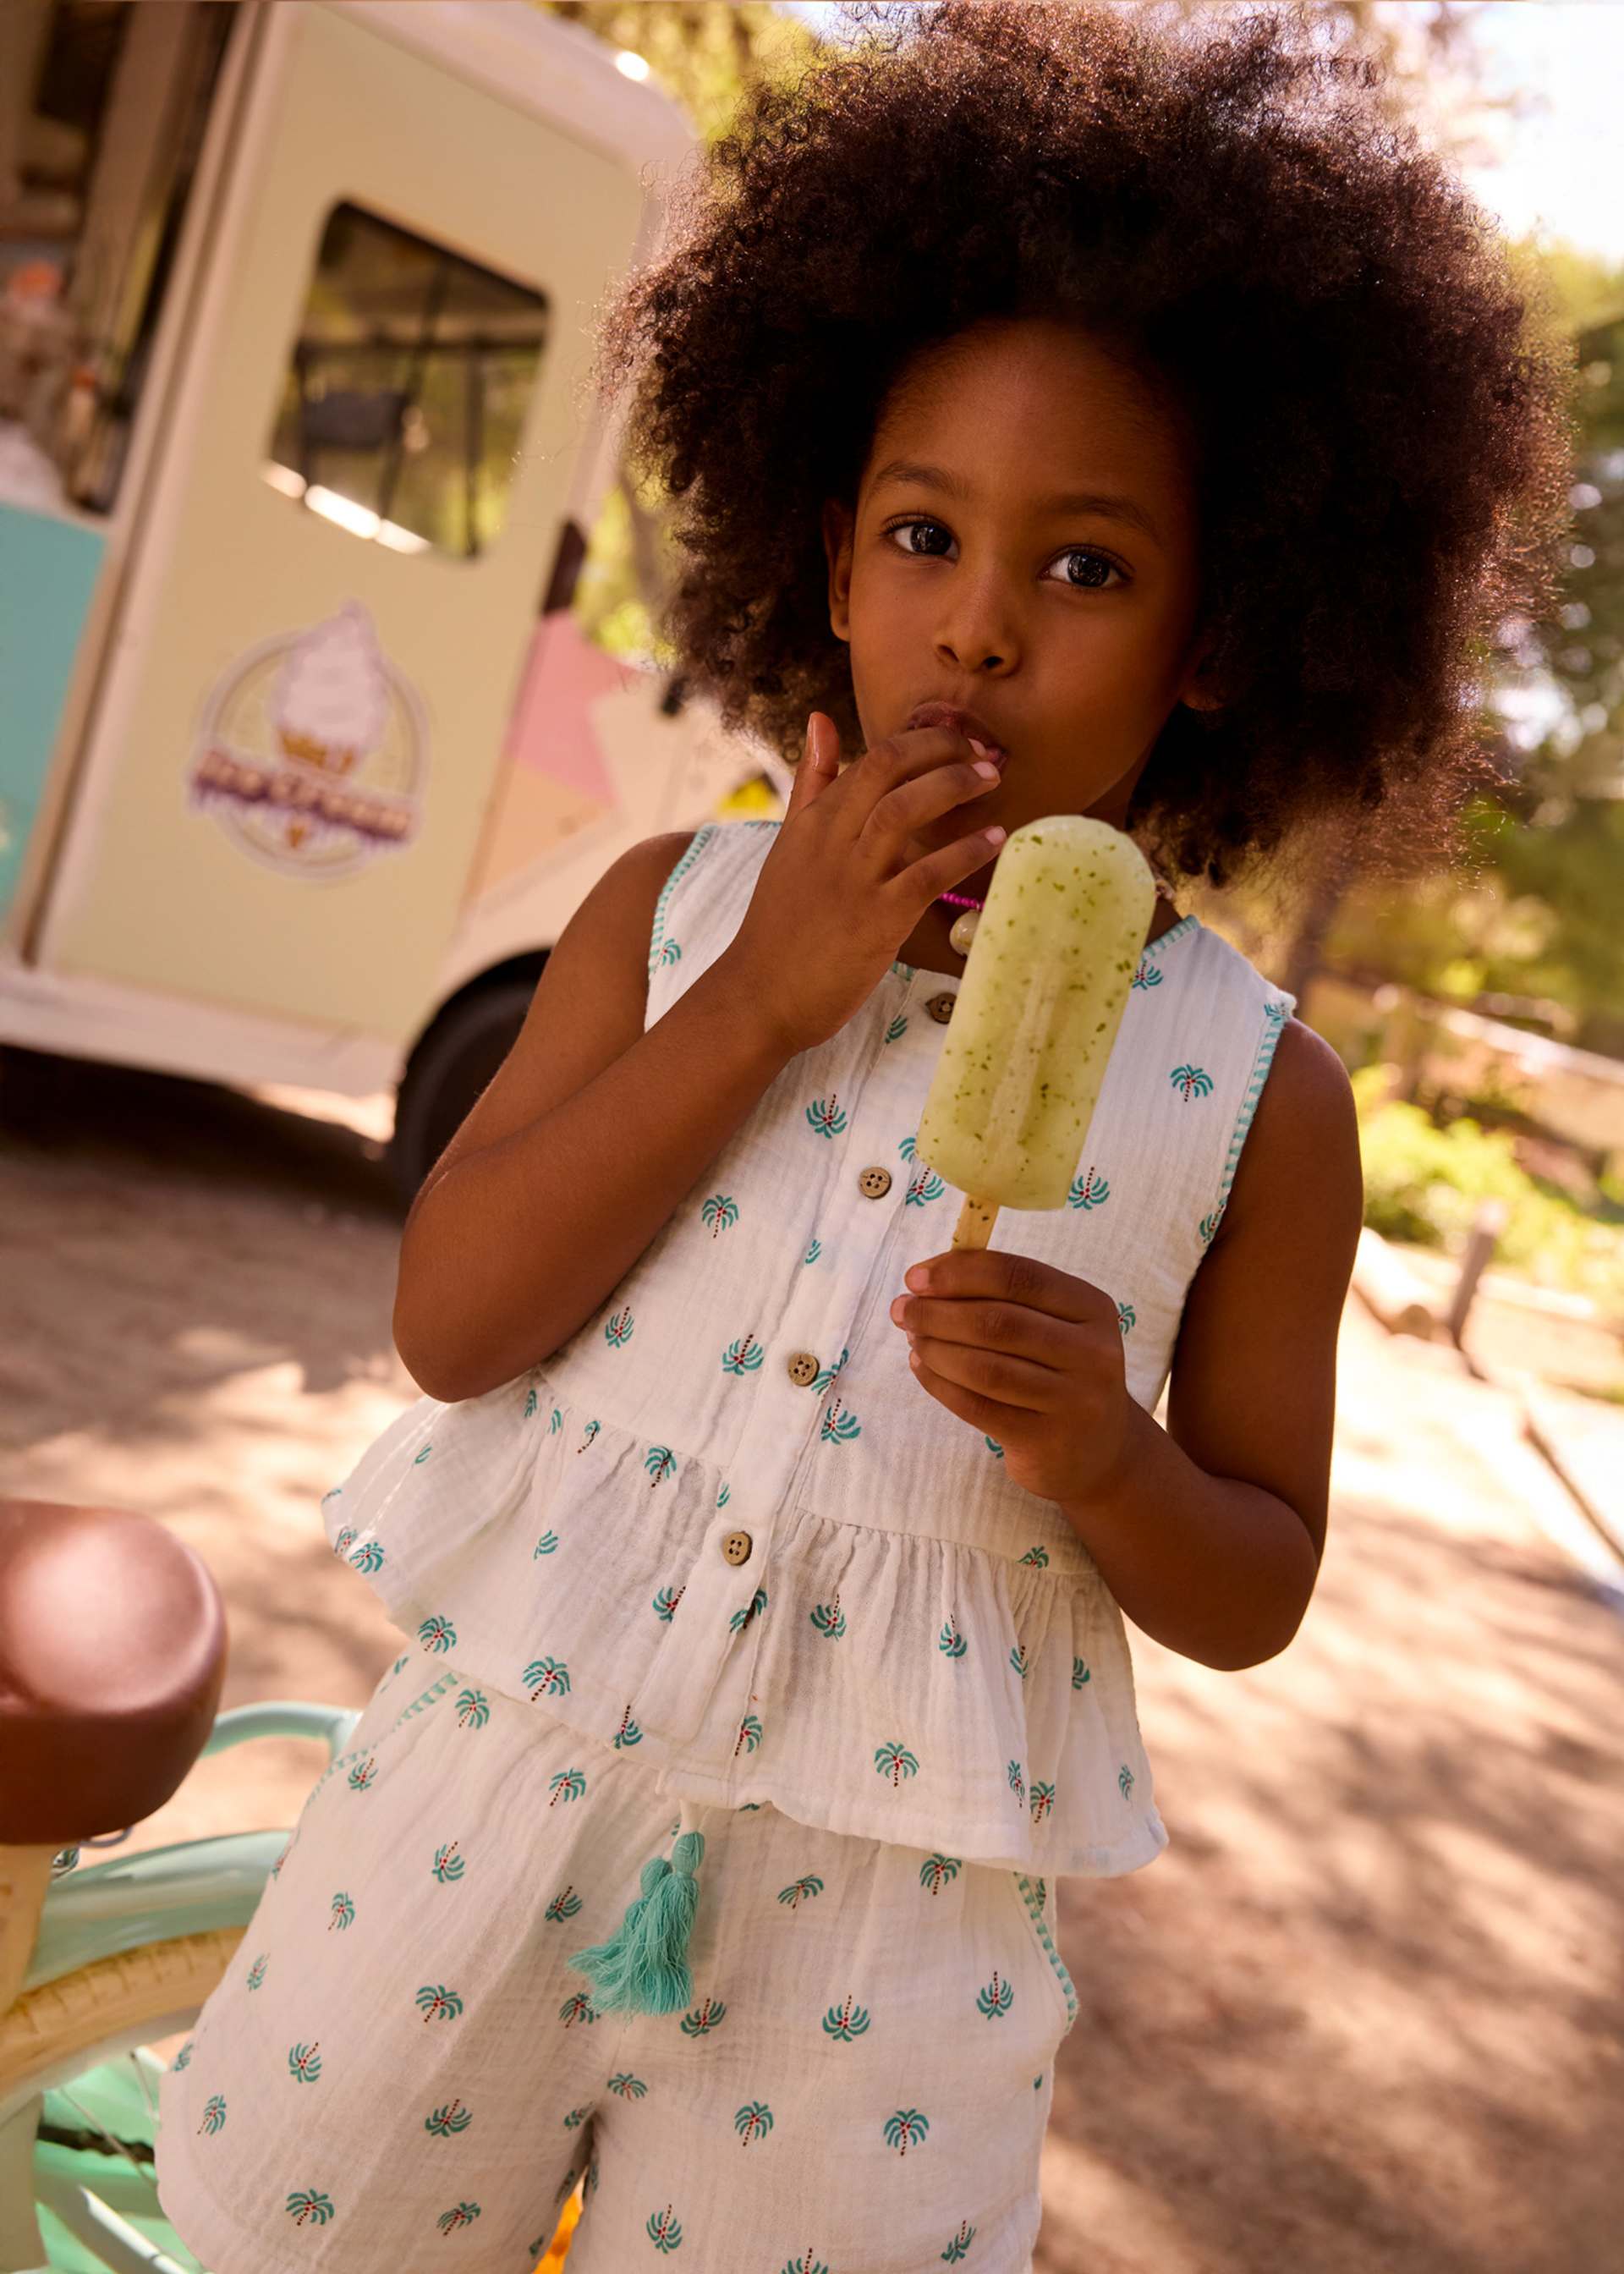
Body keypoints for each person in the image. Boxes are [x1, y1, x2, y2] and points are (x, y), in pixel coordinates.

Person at [156, 4, 1574, 2266]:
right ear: (831, 565)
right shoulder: (667, 914)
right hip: (485, 1809)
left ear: (1222, 636)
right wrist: (763, 1002)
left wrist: (1108, 1455)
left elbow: (1259, 1580)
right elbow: (454, 1321)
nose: (979, 630)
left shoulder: (1262, 1101)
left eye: (1087, 569)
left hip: (885, 1939)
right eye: (926, 535)